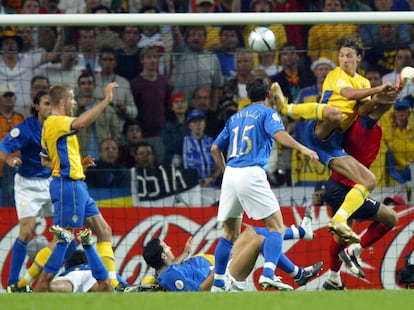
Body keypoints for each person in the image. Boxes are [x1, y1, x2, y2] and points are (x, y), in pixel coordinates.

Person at [270, 35, 399, 243]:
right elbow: (348, 95)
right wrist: (378, 89)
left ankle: (340, 218)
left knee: (369, 180)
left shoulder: (363, 81)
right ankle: (286, 108)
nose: (344, 60)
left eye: (349, 56)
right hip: (320, 133)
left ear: (359, 57)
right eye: (341, 56)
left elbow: (363, 109)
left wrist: (379, 99)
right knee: (334, 114)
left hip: (333, 145)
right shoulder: (335, 74)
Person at [210, 76, 318, 291]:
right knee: (276, 227)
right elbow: (279, 134)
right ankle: (268, 273)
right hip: (251, 173)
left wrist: (226, 172)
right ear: (268, 95)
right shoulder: (269, 113)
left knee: (229, 234)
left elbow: (214, 149)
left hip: (231, 174)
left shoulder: (235, 117)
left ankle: (219, 282)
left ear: (247, 96)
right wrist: (303, 149)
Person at [35, 81, 121, 292]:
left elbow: (46, 160)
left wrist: (77, 165)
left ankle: (110, 283)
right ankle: (41, 283)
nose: (74, 102)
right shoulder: (56, 122)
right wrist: (106, 100)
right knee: (63, 237)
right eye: (72, 98)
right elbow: (82, 122)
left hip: (76, 184)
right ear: (63, 101)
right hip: (68, 186)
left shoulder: (51, 126)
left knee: (104, 231)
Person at [320, 102, 398, 289]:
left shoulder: (353, 124)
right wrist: (396, 88)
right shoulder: (363, 124)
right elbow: (380, 106)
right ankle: (355, 250)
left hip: (336, 186)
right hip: (347, 189)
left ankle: (333, 278)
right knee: (391, 218)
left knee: (341, 237)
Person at [142, 217, 321, 292]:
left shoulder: (168, 269)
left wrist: (185, 253)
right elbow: (197, 292)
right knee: (258, 241)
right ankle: (296, 272)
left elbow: (172, 268)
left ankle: (300, 238)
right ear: (163, 256)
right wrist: (217, 271)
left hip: (218, 270)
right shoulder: (170, 276)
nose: (170, 248)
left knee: (250, 232)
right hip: (221, 281)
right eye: (166, 248)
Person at [0, 90, 54, 293]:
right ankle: (13, 284)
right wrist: (9, 160)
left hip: (50, 181)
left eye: (52, 103)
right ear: (37, 106)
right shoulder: (25, 128)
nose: (50, 107)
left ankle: (59, 274)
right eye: (46, 103)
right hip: (27, 184)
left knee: (64, 230)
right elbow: (2, 148)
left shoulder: (58, 126)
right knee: (26, 230)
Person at [130, 45, 171, 165]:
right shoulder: (136, 83)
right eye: (149, 57)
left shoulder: (163, 82)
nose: (153, 60)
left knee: (160, 164)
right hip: (143, 133)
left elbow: (167, 105)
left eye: (155, 57)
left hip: (160, 134)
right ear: (142, 60)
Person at [41, 227, 114, 293]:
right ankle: (88, 246)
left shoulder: (70, 271)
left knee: (50, 287)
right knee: (105, 286)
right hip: (93, 276)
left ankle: (63, 244)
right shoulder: (93, 269)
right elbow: (118, 282)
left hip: (72, 275)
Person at [75, 71, 121, 159]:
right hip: (81, 157)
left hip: (105, 157)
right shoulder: (73, 110)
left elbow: (116, 133)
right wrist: (78, 106)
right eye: (83, 83)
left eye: (90, 83)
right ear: (78, 87)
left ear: (94, 86)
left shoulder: (107, 109)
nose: (86, 86)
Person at [94, 45, 137, 125]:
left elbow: (134, 112)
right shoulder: (91, 81)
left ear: (116, 63)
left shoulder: (124, 83)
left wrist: (125, 108)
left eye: (110, 60)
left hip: (118, 129)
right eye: (105, 59)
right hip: (97, 128)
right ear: (99, 62)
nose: (108, 63)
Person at [0, 84, 25, 206]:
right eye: (6, 95)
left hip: (17, 167)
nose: (9, 98)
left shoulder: (21, 119)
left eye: (11, 95)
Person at [182, 109, 220, 187]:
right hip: (192, 186)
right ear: (189, 125)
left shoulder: (210, 141)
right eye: (194, 122)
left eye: (200, 121)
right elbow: (185, 168)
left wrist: (211, 179)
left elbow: (219, 165)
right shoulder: (185, 141)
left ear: (205, 124)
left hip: (211, 184)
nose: (198, 125)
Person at [162, 93, 188, 166]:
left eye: (182, 101)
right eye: (176, 102)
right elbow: (169, 146)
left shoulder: (192, 124)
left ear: (186, 105)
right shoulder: (166, 127)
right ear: (172, 107)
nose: (180, 104)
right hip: (173, 160)